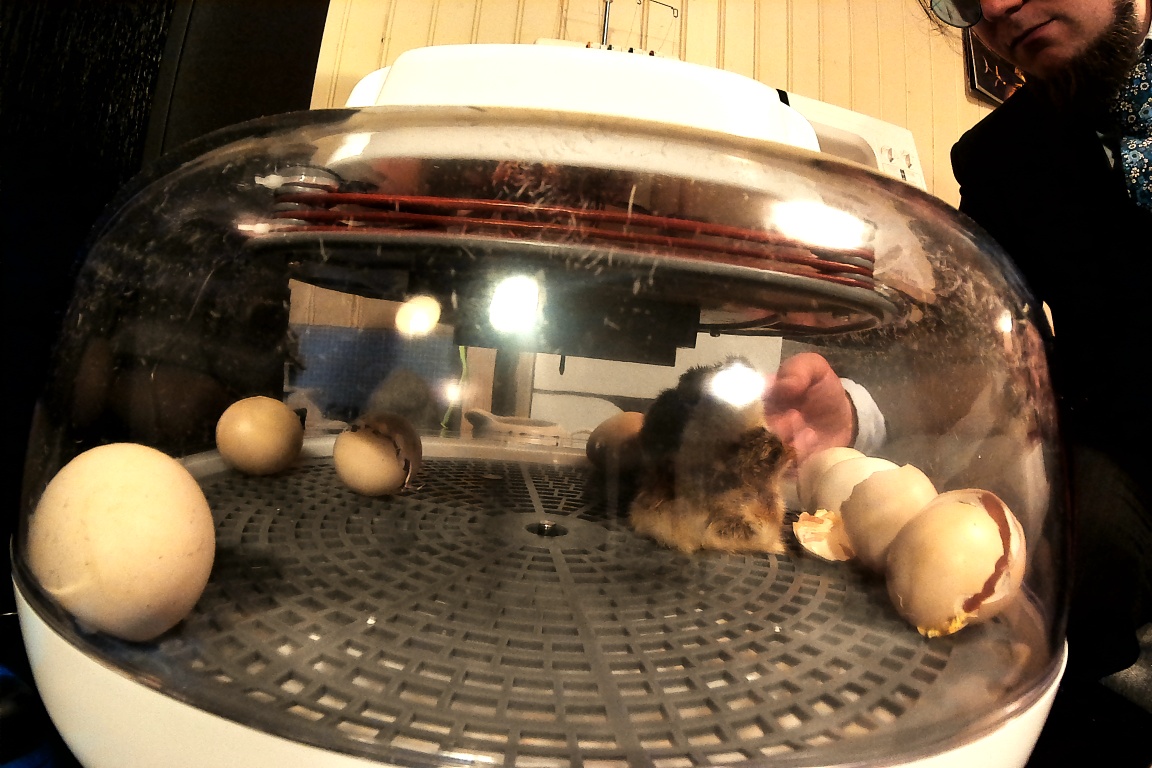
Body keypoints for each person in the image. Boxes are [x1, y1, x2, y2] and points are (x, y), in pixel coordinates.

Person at [763, 0, 1152, 691]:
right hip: (1120, 434)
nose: (994, 8)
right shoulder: (1001, 157)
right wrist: (857, 409)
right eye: (964, 0)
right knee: (1069, 557)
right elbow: (975, 335)